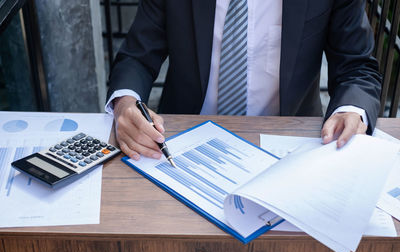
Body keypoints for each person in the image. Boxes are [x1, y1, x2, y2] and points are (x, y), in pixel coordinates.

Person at [105, 0, 381, 161]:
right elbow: (137, 56)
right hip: (179, 141)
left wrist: (351, 110)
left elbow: (357, 65)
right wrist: (125, 103)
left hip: (289, 145)